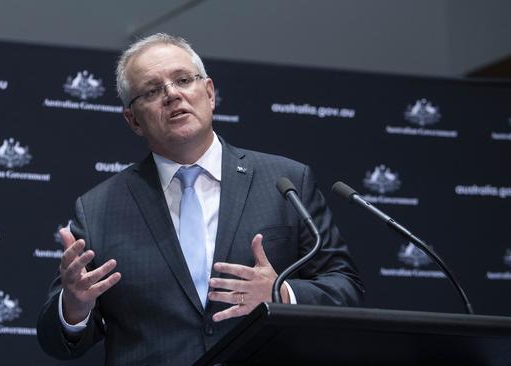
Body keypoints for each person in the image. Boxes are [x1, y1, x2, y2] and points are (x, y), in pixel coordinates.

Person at [37, 33, 364, 365]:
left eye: (182, 80)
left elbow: (346, 290)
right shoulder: (98, 209)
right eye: (152, 91)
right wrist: (74, 307)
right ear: (133, 120)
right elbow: (57, 341)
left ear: (209, 93)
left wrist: (281, 294)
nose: (172, 95)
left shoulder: (286, 182)